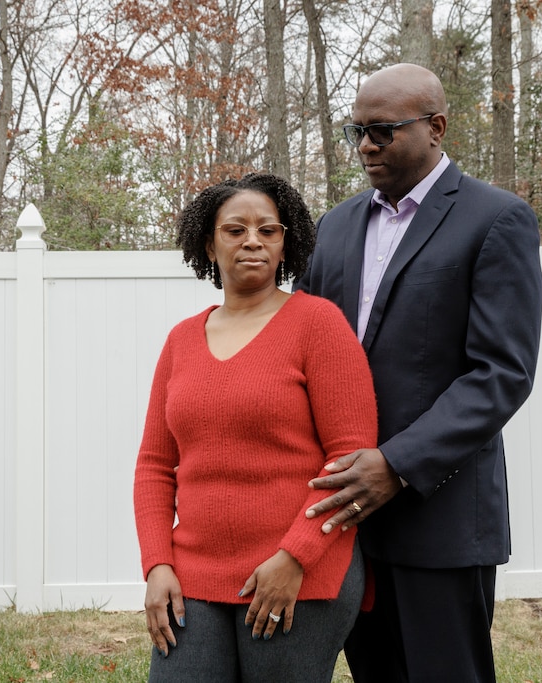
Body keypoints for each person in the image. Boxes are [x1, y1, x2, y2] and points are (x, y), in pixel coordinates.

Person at [295, 63, 542, 682]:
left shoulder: (495, 220)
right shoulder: (334, 227)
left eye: (383, 131)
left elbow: (501, 372)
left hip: (441, 516)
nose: (365, 146)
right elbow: (303, 350)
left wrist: (397, 465)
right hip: (345, 516)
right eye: (356, 130)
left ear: (436, 127)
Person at [133, 173, 377, 683]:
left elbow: (351, 462)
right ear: (209, 242)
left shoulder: (318, 324)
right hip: (193, 574)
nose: (252, 241)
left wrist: (296, 557)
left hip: (297, 572)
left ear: (286, 244)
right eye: (235, 229)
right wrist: (157, 564)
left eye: (268, 230)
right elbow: (155, 466)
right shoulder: (181, 340)